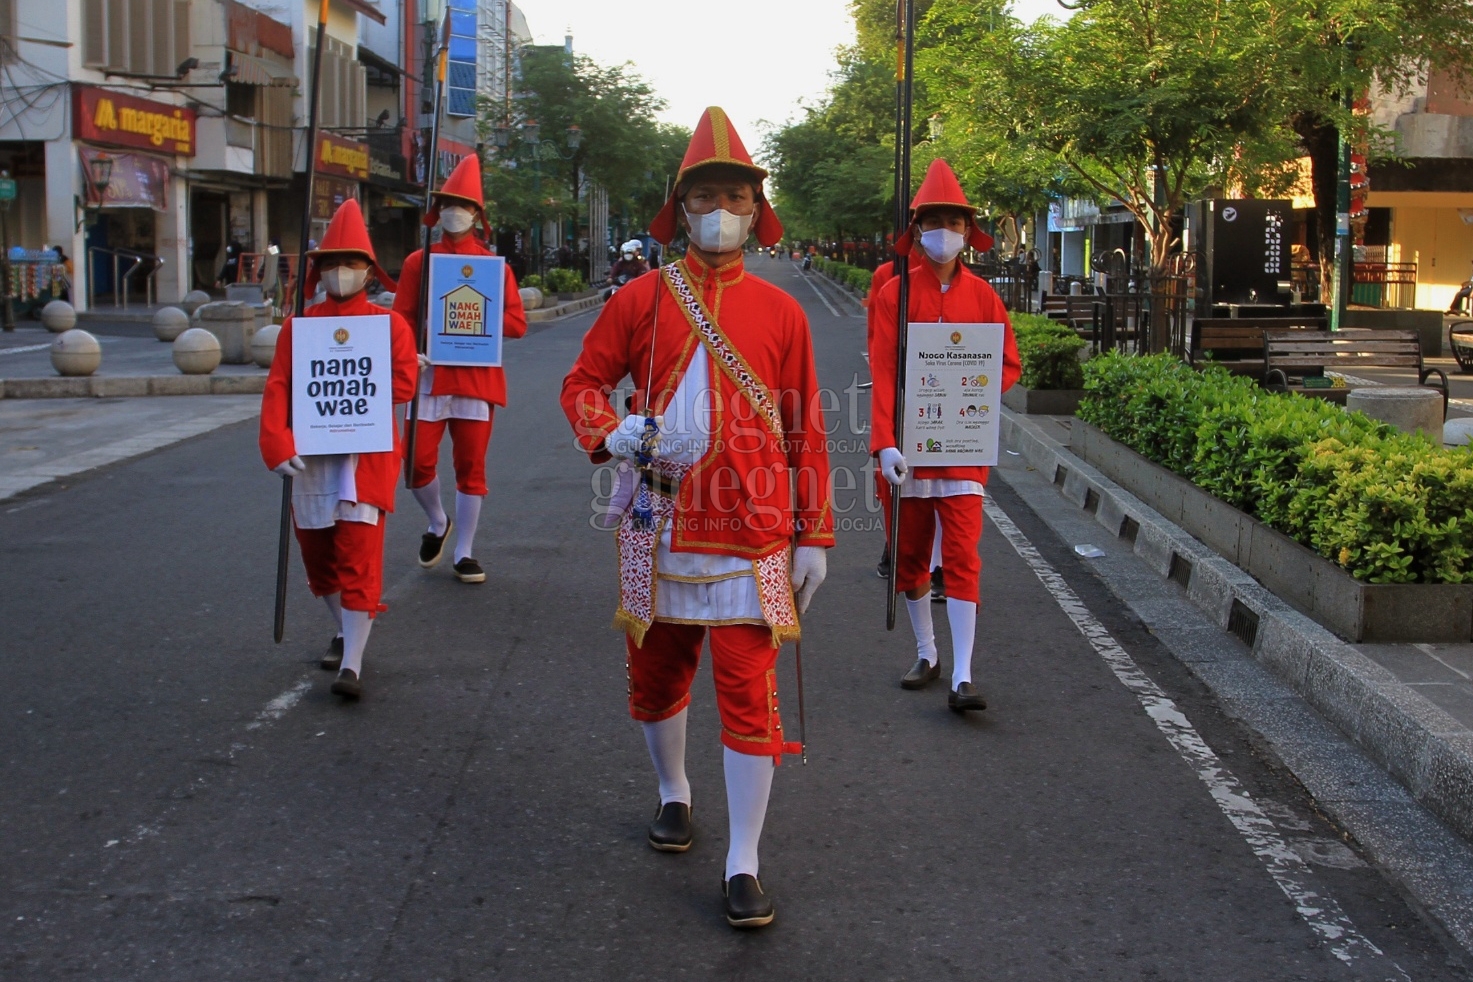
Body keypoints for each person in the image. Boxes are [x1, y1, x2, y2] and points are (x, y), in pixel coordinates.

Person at [560, 107, 834, 930]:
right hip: (654, 518)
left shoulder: (783, 313)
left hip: (755, 527)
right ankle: (673, 793)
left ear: (756, 210)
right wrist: (611, 430)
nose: (720, 209)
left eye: (735, 197)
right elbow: (579, 384)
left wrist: (815, 532)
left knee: (749, 692)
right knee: (655, 678)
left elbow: (804, 427)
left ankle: (743, 860)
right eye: (705, 195)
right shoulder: (641, 297)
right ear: (679, 209)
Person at [868, 158, 1021, 712]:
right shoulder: (893, 294)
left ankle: (963, 675)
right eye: (935, 222)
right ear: (916, 231)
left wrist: (971, 401)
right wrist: (884, 442)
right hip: (907, 448)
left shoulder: (984, 296)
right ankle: (927, 652)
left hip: (961, 452)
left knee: (962, 557)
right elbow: (883, 370)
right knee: (909, 560)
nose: (946, 233)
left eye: (956, 223)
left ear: (967, 232)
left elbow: (1007, 362)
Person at [258, 200, 417, 699]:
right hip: (310, 462)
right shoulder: (298, 328)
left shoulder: (390, 326)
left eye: (349, 263)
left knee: (358, 555)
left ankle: (352, 663)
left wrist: (368, 384)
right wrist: (276, 444)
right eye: (330, 263)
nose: (340, 272)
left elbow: (405, 384)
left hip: (363, 460)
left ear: (368, 271)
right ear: (318, 271)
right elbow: (279, 387)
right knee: (319, 559)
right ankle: (345, 628)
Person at [393, 156, 528, 583]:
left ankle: (464, 552)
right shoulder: (420, 262)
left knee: (471, 467)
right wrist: (416, 337)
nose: (456, 211)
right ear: (439, 211)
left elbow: (517, 323)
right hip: (428, 377)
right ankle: (437, 521)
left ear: (477, 214)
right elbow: (401, 318)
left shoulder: (494, 267)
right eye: (449, 203)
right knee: (415, 464)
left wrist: (481, 325)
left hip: (475, 378)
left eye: (463, 204)